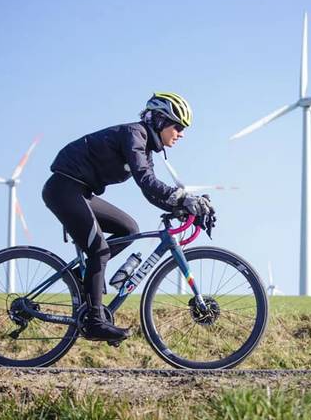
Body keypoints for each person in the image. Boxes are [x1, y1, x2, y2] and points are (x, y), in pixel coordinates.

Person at [42, 92, 214, 342]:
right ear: (160, 121)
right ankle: (94, 322)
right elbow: (146, 180)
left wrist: (183, 207)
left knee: (129, 229)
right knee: (99, 251)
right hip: (64, 189)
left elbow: (151, 192)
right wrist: (183, 198)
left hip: (80, 190)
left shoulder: (145, 146)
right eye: (178, 126)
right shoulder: (135, 135)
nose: (181, 133)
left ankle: (88, 278)